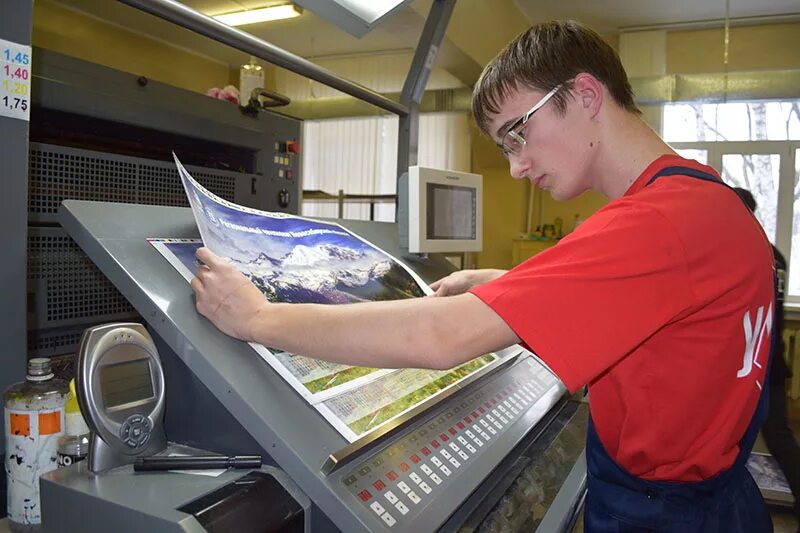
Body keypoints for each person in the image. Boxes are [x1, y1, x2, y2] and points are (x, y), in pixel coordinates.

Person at [191, 21, 776, 532]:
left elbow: (440, 337)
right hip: (717, 498)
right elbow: (657, 305)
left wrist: (258, 316)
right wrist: (506, 284)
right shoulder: (707, 200)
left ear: (586, 93)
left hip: (663, 514)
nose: (518, 167)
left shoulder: (654, 223)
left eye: (517, 133)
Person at [734, 187, 800, 523]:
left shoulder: (746, 254)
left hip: (753, 366)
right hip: (766, 363)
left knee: (771, 438)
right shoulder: (772, 253)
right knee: (775, 437)